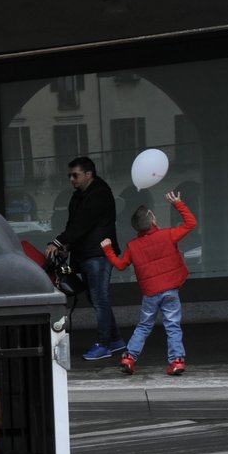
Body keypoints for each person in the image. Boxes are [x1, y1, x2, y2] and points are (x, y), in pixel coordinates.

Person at [102, 191, 197, 377]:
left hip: (150, 294)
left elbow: (121, 265)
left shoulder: (133, 246)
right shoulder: (168, 235)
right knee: (173, 326)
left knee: (144, 326)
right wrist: (178, 203)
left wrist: (108, 249)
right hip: (170, 291)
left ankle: (129, 358)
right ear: (153, 220)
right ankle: (177, 361)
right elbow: (191, 224)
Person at [47, 157, 123, 360]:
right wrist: (67, 245)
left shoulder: (99, 195)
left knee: (99, 299)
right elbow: (75, 225)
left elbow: (82, 224)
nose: (71, 179)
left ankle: (104, 344)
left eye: (75, 175)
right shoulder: (79, 196)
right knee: (96, 298)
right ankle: (115, 340)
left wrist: (57, 242)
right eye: (70, 175)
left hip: (97, 255)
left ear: (89, 174)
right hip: (86, 254)